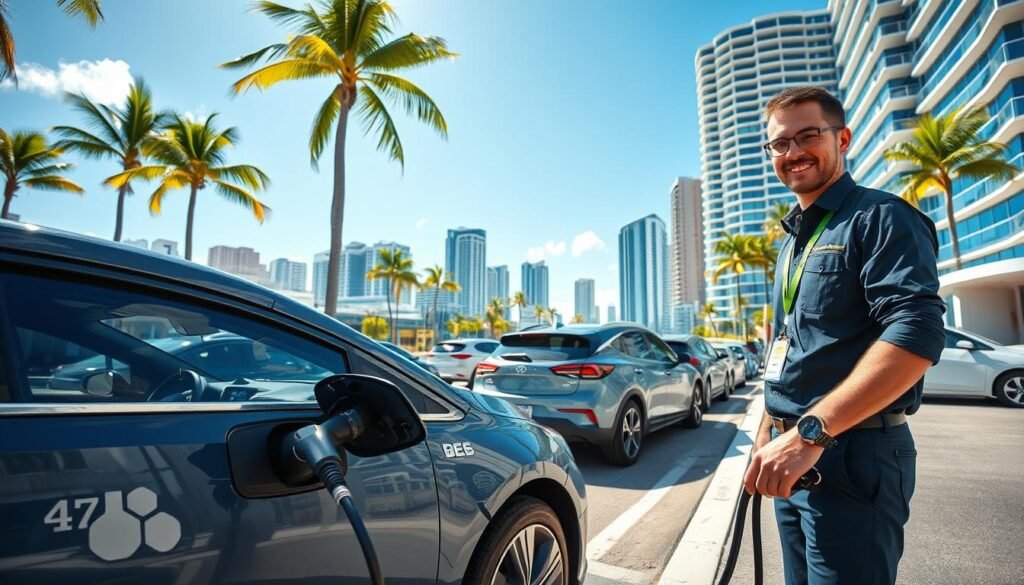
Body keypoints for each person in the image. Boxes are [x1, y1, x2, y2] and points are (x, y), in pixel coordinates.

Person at [742, 86, 946, 585]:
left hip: (854, 457)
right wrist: (772, 426)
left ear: (843, 138)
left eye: (807, 136)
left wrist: (813, 431)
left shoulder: (880, 217)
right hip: (793, 455)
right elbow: (794, 343)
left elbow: (916, 331)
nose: (792, 153)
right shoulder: (795, 241)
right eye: (779, 144)